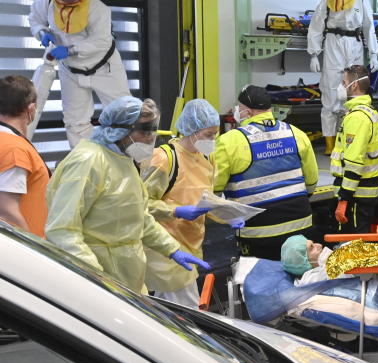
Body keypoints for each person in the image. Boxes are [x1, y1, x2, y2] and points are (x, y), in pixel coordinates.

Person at [45, 96, 210, 290]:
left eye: (153, 131)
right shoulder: (87, 161)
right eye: (144, 131)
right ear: (120, 130)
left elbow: (140, 218)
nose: (151, 138)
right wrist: (96, 278)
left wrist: (171, 249)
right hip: (98, 278)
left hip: (129, 276)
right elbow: (62, 230)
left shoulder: (124, 160)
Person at [143, 99, 238, 307]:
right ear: (191, 130)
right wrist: (176, 211)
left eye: (215, 134)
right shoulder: (165, 158)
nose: (213, 139)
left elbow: (206, 199)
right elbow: (141, 204)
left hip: (192, 243)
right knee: (187, 312)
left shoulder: (207, 158)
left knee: (165, 309)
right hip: (166, 246)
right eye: (208, 135)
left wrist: (228, 215)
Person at [28, 0, 130, 148]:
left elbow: (101, 42)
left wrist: (70, 50)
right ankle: (83, 163)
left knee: (122, 114)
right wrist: (41, 32)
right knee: (75, 121)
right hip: (71, 71)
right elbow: (35, 19)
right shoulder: (46, 2)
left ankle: (128, 161)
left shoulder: (97, 8)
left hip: (104, 68)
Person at [212, 85, 318, 260]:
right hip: (301, 224)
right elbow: (312, 181)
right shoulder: (296, 133)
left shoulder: (228, 141)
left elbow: (214, 186)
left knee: (260, 280)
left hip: (258, 232)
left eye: (238, 108)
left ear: (247, 111)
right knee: (300, 276)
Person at [307, 0, 378, 154]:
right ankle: (330, 146)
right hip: (332, 44)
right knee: (330, 93)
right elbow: (315, 27)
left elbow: (368, 27)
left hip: (354, 45)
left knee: (354, 91)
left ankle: (349, 142)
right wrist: (314, 54)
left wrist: (373, 54)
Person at [331, 65, 378, 234]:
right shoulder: (368, 112)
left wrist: (344, 200)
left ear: (353, 86)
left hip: (355, 196)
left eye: (343, 82)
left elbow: (353, 163)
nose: (341, 86)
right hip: (362, 194)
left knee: (350, 247)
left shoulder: (357, 118)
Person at [0, 75, 49, 237]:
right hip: (21, 249)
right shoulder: (15, 149)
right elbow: (7, 212)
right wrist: (37, 254)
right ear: (31, 108)